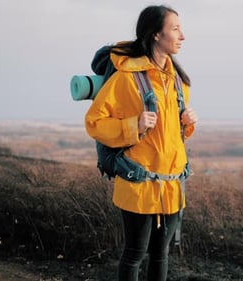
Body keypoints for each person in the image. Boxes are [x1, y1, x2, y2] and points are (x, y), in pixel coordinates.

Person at [84, 5, 197, 281]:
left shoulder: (179, 82)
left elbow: (172, 137)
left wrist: (187, 123)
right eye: (175, 28)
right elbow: (94, 122)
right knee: (134, 254)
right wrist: (132, 126)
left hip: (171, 185)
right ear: (156, 34)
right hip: (138, 184)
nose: (183, 35)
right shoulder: (126, 78)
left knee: (161, 255)